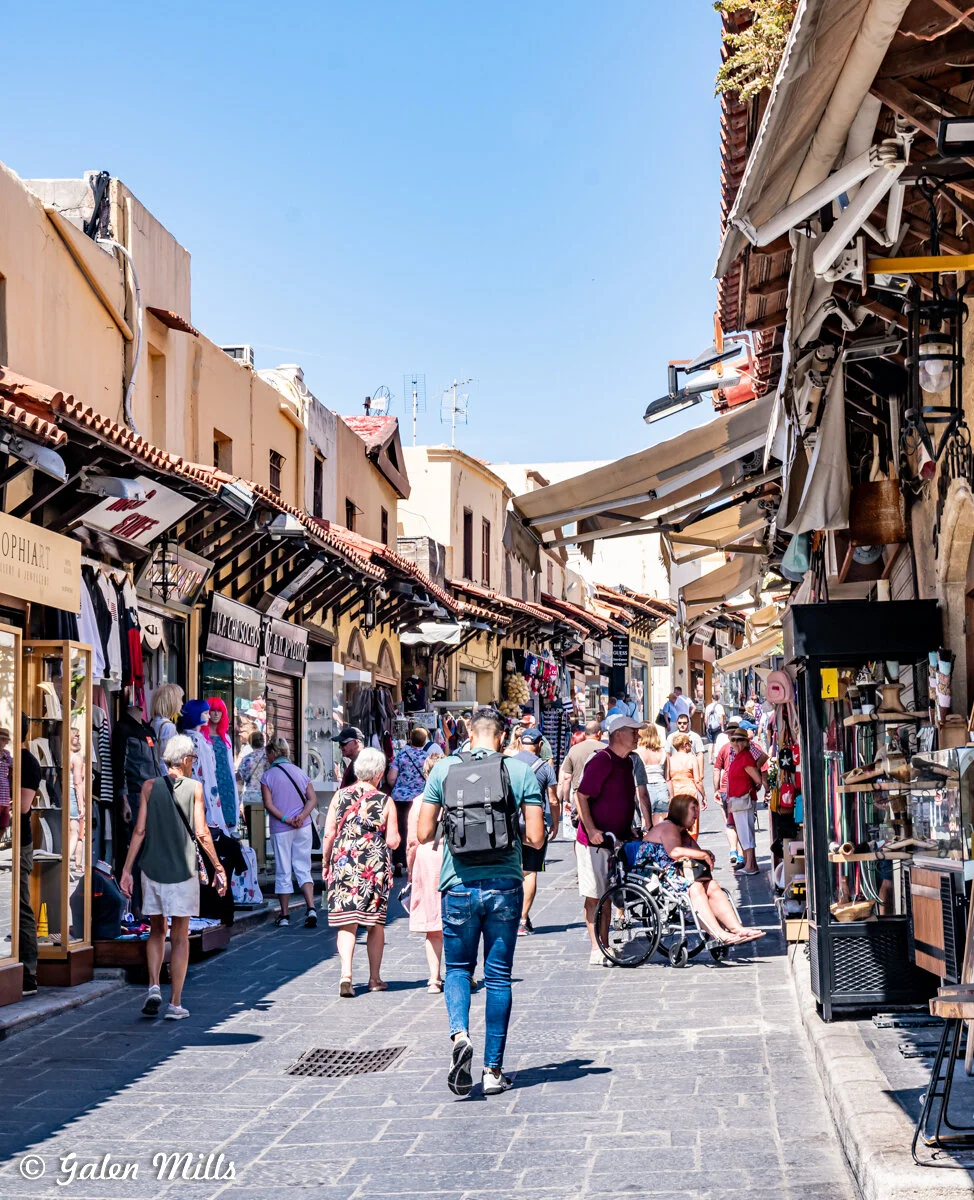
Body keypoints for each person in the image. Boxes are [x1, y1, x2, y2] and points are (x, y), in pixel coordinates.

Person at [418, 707, 545, 1097]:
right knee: (499, 977)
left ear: (468, 734)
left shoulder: (443, 771)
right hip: (505, 886)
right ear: (505, 737)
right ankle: (492, 1071)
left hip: (457, 884)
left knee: (457, 968)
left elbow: (423, 833)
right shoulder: (521, 771)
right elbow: (537, 838)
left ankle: (459, 1034)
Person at [120, 734, 227, 1020]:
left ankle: (154, 984)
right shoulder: (195, 788)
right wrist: (218, 867)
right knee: (180, 936)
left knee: (156, 930)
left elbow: (139, 831)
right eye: (192, 758)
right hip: (183, 870)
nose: (194, 762)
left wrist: (127, 870)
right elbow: (203, 833)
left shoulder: (148, 787)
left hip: (152, 869)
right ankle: (175, 1003)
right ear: (183, 760)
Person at [321, 746, 400, 995]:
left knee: (347, 921)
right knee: (374, 923)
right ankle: (374, 979)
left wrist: (326, 862)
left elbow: (328, 833)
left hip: (343, 861)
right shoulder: (386, 801)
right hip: (372, 866)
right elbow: (394, 840)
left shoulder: (339, 796)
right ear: (379, 774)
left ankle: (346, 975)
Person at [638, 795, 763, 944]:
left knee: (712, 885)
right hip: (654, 875)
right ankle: (719, 934)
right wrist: (703, 854)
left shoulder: (681, 831)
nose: (696, 815)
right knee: (696, 887)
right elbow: (675, 852)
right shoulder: (668, 827)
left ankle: (737, 929)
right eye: (693, 809)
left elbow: (696, 852)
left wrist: (705, 855)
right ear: (681, 810)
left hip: (672, 874)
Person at [574, 714, 646, 966]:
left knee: (608, 893)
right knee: (595, 895)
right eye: (633, 731)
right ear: (617, 735)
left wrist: (630, 829)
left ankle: (604, 945)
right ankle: (596, 948)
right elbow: (581, 796)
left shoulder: (628, 762)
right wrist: (592, 829)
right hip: (593, 841)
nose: (638, 735)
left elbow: (624, 800)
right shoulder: (602, 760)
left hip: (615, 840)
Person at [261, 737, 319, 927]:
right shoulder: (300, 772)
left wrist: (286, 818)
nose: (267, 758)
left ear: (272, 753)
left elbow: (268, 805)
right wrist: (301, 816)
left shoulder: (268, 776)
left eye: (267, 754)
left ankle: (284, 915)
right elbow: (312, 799)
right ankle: (311, 908)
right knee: (303, 866)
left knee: (283, 869)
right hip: (302, 826)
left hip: (281, 828)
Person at [406, 748, 446, 993]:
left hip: (427, 858)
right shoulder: (457, 797)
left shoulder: (419, 802)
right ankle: (463, 972)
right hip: (452, 859)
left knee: (433, 924)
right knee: (458, 921)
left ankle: (434, 978)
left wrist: (411, 872)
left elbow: (413, 841)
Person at [514, 728, 560, 935]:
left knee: (511, 870)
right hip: (534, 824)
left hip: (509, 824)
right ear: (540, 745)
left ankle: (510, 915)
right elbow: (553, 799)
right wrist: (556, 823)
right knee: (530, 871)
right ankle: (522, 920)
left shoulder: (508, 763)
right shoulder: (545, 767)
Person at [387, 727, 432, 876]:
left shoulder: (401, 755)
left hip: (400, 798)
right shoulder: (427, 757)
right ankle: (415, 860)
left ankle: (399, 861)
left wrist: (400, 788)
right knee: (417, 828)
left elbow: (392, 777)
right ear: (425, 741)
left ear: (410, 739)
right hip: (420, 799)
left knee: (400, 828)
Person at [19, 722, 42, 995]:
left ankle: (28, 972)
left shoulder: (27, 762)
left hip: (20, 840)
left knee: (21, 903)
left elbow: (23, 806)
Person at [725, 729, 763, 875]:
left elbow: (757, 779)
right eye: (733, 740)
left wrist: (749, 788)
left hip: (743, 800)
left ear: (745, 742)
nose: (735, 742)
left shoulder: (745, 757)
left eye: (739, 740)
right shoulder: (739, 757)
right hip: (737, 800)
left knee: (746, 833)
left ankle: (751, 865)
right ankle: (750, 863)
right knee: (743, 833)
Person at [557, 720, 604, 836]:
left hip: (578, 795)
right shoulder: (606, 749)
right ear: (598, 733)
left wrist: (566, 799)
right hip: (601, 794)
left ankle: (581, 852)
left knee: (578, 832)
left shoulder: (574, 750)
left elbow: (567, 778)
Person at [205, 698, 238, 832]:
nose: (216, 714)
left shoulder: (225, 737)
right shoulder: (202, 737)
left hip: (226, 782)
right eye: (213, 710)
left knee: (227, 818)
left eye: (219, 711)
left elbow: (230, 764)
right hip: (211, 780)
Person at [635, 724, 669, 826]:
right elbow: (667, 777)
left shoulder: (637, 753)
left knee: (646, 822)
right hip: (662, 787)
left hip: (645, 788)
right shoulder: (662, 752)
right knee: (660, 824)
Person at [68, 727, 86, 872]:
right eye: (76, 736)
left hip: (60, 794)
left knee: (70, 832)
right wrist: (82, 804)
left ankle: (72, 863)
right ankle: (65, 862)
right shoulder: (76, 757)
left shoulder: (63, 754)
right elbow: (78, 782)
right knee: (75, 832)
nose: (78, 738)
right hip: (72, 794)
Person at [666, 712, 705, 779]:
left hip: (690, 770)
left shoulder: (695, 736)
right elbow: (668, 755)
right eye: (679, 723)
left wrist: (701, 773)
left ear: (688, 723)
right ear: (676, 723)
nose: (682, 725)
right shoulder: (671, 737)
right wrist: (667, 774)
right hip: (675, 771)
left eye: (684, 723)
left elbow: (700, 754)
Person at [149, 684, 184, 755]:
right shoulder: (168, 726)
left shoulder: (154, 721)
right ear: (172, 702)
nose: (182, 703)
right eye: (180, 699)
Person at [0, 725, 12, 851]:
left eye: (5, 740)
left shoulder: (6, 755)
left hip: (5, 796)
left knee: (3, 825)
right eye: (3, 740)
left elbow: (14, 766)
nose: (5, 743)